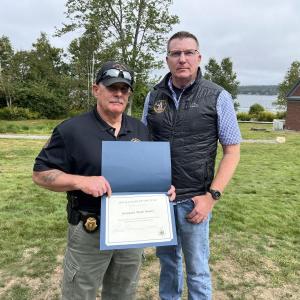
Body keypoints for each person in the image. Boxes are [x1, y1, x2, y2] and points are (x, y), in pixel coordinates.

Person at [32, 60, 175, 300]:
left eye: (124, 89)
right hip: (90, 228)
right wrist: (81, 181)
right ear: (96, 89)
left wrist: (162, 189)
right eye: (112, 87)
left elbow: (145, 175)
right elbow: (40, 174)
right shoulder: (72, 130)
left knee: (123, 292)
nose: (118, 93)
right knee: (80, 292)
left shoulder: (140, 130)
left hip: (132, 231)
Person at [142, 31, 241, 299]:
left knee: (197, 270)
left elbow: (232, 152)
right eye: (176, 53)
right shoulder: (153, 97)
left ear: (198, 57)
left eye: (188, 53)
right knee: (168, 266)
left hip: (195, 201)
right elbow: (142, 144)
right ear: (167, 60)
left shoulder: (218, 96)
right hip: (161, 199)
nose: (182, 59)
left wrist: (212, 197)